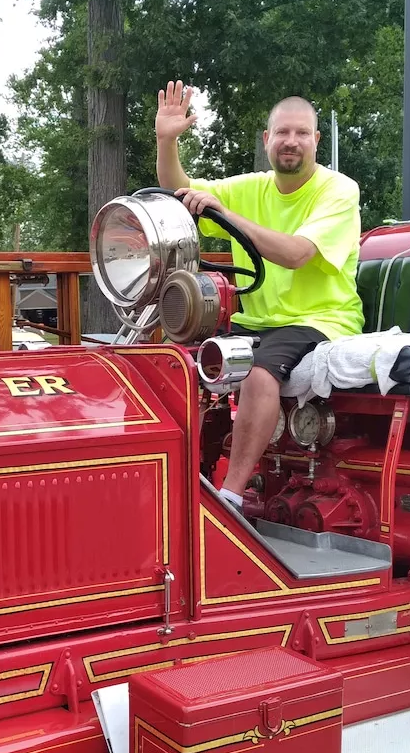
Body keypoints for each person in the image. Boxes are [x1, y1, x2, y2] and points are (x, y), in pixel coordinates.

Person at [155, 80, 363, 507]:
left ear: (316, 141)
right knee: (175, 363)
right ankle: (177, 485)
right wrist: (166, 142)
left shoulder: (338, 191)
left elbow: (297, 254)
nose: (291, 142)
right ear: (267, 140)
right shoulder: (250, 187)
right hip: (257, 323)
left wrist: (226, 213)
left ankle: (228, 498)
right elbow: (182, 195)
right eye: (282, 133)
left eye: (301, 133)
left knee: (259, 372)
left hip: (321, 320)